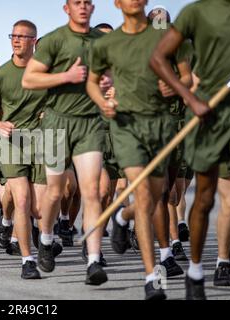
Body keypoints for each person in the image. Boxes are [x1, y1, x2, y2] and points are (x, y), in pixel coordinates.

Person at [88, 0, 192, 299]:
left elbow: (187, 76)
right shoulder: (109, 43)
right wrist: (104, 102)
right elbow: (94, 83)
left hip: (161, 127)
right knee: (147, 193)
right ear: (117, 3)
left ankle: (123, 218)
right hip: (127, 127)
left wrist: (175, 85)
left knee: (161, 196)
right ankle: (152, 276)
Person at [150, 0, 230, 300]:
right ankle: (181, 260)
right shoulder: (195, 15)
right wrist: (187, 95)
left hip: (218, 119)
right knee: (181, 196)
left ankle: (218, 258)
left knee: (217, 198)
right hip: (185, 123)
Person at [22, 0, 107, 285]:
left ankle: (94, 260)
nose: (82, 7)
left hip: (89, 123)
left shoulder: (101, 41)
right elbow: (29, 79)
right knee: (55, 192)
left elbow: (110, 76)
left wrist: (109, 87)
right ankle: (46, 238)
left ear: (92, 8)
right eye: (76, 3)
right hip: (57, 124)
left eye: (87, 2)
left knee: (91, 191)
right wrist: (66, 76)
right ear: (66, 8)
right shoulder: (56, 40)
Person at [0, 20, 46, 279]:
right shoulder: (1, 74)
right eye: (13, 36)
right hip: (12, 142)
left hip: (43, 142)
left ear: (34, 41)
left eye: (22, 36)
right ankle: (27, 259)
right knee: (21, 200)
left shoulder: (45, 72)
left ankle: (41, 237)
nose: (16, 40)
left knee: (38, 209)